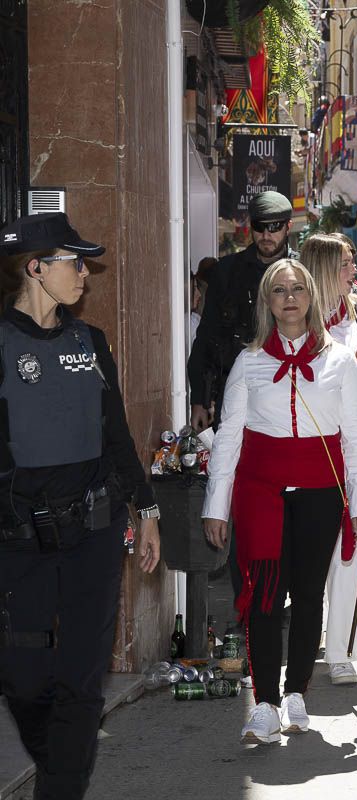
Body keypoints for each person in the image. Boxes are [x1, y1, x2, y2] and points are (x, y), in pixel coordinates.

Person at [0, 212, 161, 798]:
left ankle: (60, 788)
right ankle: (61, 766)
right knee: (22, 677)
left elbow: (115, 432)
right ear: (36, 268)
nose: (84, 275)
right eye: (73, 262)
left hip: (94, 531)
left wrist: (147, 510)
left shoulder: (89, 342)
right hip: (20, 541)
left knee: (82, 679)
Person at [201, 259, 357, 744]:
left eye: (299, 288)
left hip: (321, 492)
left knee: (307, 593)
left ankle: (296, 691)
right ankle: (266, 702)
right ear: (268, 302)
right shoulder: (249, 360)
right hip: (260, 493)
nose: (291, 297)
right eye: (280, 290)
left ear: (312, 298)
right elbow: (229, 435)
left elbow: (356, 437)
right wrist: (216, 505)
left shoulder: (340, 360)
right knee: (265, 594)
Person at [298, 233, 357, 685]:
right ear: (324, 267)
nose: (353, 271)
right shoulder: (291, 321)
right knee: (307, 554)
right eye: (345, 263)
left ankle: (340, 648)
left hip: (354, 442)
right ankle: (305, 642)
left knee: (352, 544)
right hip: (306, 448)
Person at [188, 190, 296, 430]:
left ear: (288, 226)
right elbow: (206, 337)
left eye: (275, 226)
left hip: (290, 391)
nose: (266, 234)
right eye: (259, 226)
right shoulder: (227, 271)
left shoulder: (302, 271)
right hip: (237, 391)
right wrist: (199, 400)